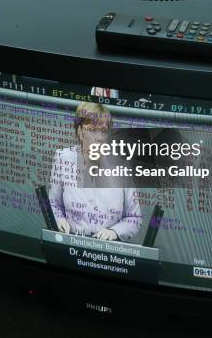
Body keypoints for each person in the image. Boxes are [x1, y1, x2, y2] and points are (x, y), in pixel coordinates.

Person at [48, 102, 142, 240]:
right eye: (92, 130)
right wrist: (59, 220)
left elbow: (135, 218)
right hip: (71, 242)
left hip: (108, 250)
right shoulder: (63, 158)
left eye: (103, 131)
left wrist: (114, 232)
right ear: (80, 132)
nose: (99, 137)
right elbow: (53, 204)